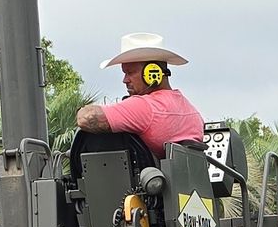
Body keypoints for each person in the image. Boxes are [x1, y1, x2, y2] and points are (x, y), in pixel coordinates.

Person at [75, 35, 205, 157]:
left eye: (130, 73)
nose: (125, 80)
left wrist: (82, 109)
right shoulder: (194, 114)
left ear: (152, 72)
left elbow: (85, 118)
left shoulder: (144, 107)